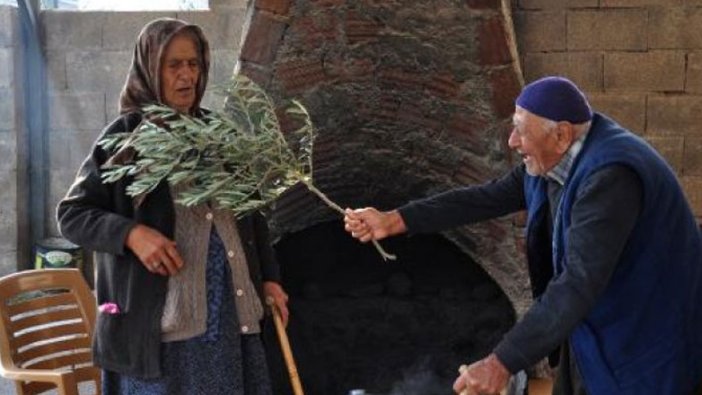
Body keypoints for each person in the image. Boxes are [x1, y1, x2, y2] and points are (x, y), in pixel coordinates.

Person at [344, 76, 702, 395]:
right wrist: (394, 220)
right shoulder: (551, 160)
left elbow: (577, 283)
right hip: (594, 330)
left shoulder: (610, 178)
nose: (512, 141)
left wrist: (501, 362)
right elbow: (483, 199)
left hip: (644, 338)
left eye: (519, 129)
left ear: (560, 133)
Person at [57, 18, 289, 395]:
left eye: (193, 64)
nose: (186, 76)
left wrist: (269, 278)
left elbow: (250, 214)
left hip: (227, 322)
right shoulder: (126, 138)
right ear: (151, 68)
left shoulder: (219, 135)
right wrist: (132, 234)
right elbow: (73, 215)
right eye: (173, 65)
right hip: (161, 333)